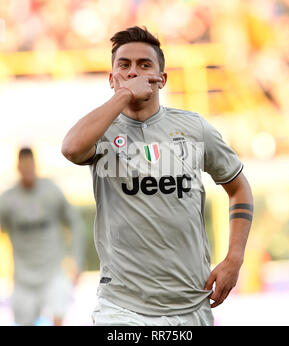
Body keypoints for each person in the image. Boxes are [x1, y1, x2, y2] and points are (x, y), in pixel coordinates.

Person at [61, 26, 253, 326]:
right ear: (111, 79)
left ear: (161, 79)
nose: (134, 72)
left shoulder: (194, 128)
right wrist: (125, 94)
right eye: (124, 66)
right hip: (122, 308)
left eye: (144, 65)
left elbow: (239, 188)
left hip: (190, 304)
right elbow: (71, 149)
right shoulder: (100, 132)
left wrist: (234, 258)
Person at [0, 147, 85, 326]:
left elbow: (75, 223)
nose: (27, 172)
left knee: (58, 318)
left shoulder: (51, 192)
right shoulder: (8, 200)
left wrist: (77, 259)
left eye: (30, 167)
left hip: (53, 273)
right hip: (23, 279)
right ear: (18, 168)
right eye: (24, 168)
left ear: (35, 166)